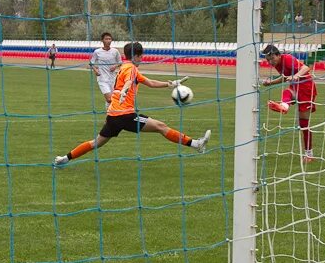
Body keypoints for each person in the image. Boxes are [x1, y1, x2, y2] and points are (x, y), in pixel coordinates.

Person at [54, 42, 209, 167]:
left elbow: (150, 82)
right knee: (161, 127)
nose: (142, 59)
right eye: (141, 56)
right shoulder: (131, 68)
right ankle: (196, 144)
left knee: (96, 143)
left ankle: (65, 158)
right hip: (125, 115)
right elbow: (129, 81)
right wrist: (125, 91)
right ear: (135, 56)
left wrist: (170, 84)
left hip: (113, 115)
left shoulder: (125, 67)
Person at [261, 44, 317, 162]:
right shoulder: (278, 64)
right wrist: (271, 83)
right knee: (287, 92)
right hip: (295, 86)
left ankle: (309, 154)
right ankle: (284, 106)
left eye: (272, 58)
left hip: (306, 88)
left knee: (304, 124)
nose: (271, 62)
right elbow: (284, 77)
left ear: (278, 55)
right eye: (268, 60)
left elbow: (306, 68)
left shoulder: (287, 59)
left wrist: (296, 76)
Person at [88, 32, 123, 105]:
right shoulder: (97, 52)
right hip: (102, 79)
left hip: (113, 79)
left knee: (113, 99)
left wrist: (115, 66)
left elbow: (120, 62)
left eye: (110, 39)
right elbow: (91, 63)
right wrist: (95, 70)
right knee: (109, 99)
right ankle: (110, 113)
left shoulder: (115, 51)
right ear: (102, 40)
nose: (108, 41)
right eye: (106, 39)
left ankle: (109, 114)